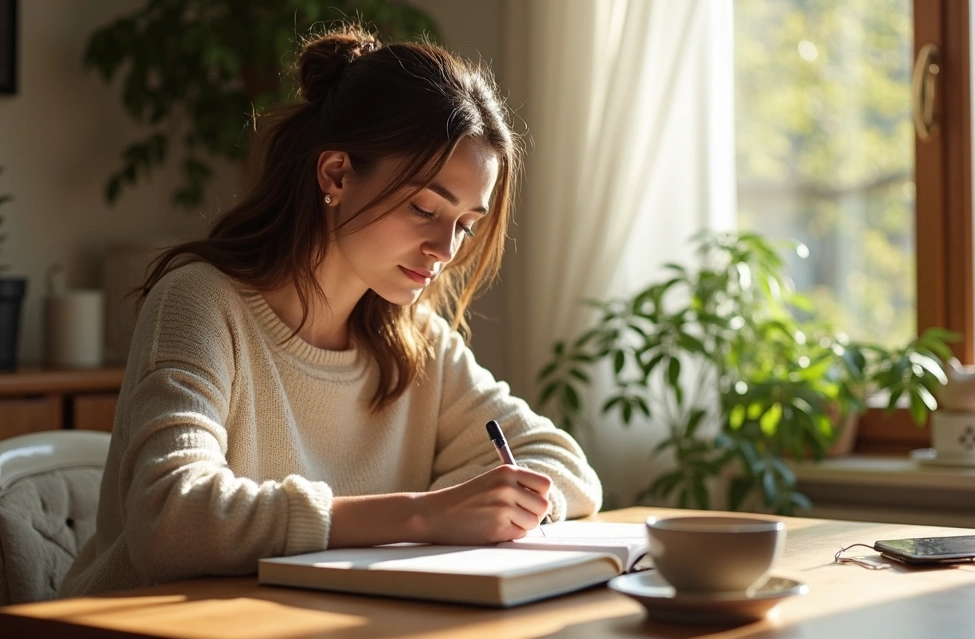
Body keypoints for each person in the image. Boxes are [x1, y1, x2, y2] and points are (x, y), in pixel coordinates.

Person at [58, 24, 603, 597]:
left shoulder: (417, 341)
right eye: (425, 208)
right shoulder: (200, 303)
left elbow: (566, 467)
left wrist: (483, 507)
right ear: (336, 174)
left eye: (465, 225)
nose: (445, 251)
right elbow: (170, 519)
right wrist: (422, 514)